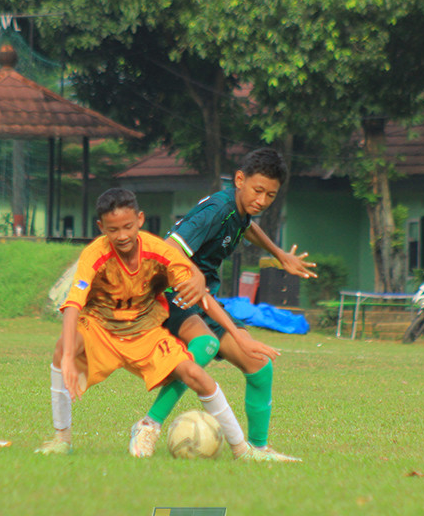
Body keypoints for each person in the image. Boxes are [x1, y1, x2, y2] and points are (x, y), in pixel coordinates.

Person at [35, 188, 270, 460]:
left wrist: (238, 336)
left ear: (140, 220)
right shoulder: (94, 255)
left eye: (127, 226)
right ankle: (62, 439)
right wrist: (66, 358)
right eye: (113, 230)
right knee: (64, 346)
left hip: (145, 333)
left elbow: (202, 298)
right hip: (100, 329)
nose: (122, 235)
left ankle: (243, 450)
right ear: (101, 227)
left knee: (197, 376)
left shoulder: (157, 251)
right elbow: (73, 304)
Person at [126, 148, 316, 461]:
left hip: (201, 295)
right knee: (205, 345)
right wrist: (235, 329)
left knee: (259, 365)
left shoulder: (239, 209)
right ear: (239, 180)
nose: (262, 201)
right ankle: (148, 425)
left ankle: (256, 449)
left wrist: (280, 254)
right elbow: (170, 248)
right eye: (257, 191)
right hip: (169, 289)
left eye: (270, 195)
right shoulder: (217, 209)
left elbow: (247, 225)